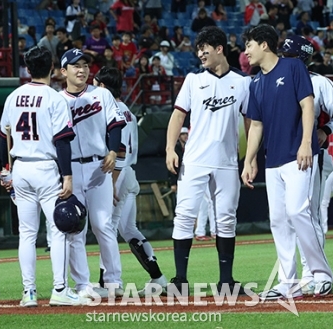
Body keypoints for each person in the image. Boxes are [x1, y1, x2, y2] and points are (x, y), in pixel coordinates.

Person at [241, 25, 333, 300]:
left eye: (249, 45)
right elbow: (256, 125)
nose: (246, 52)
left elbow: (308, 105)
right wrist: (249, 161)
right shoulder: (256, 82)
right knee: (279, 220)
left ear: (264, 45)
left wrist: (307, 143)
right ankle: (288, 281)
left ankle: (321, 274)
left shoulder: (293, 68)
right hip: (273, 160)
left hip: (298, 155)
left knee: (298, 212)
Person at [165, 26, 251, 296]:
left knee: (226, 220)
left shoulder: (243, 82)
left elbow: (250, 123)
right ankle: (179, 280)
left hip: (227, 162)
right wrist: (170, 148)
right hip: (194, 160)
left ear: (219, 49)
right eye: (198, 49)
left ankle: (226, 281)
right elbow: (178, 116)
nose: (200, 53)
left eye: (205, 48)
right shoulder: (192, 80)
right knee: (184, 217)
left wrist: (250, 159)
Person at [0, 46, 80, 307]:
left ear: (28, 68)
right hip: (46, 167)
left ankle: (29, 293)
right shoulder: (54, 98)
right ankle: (59, 289)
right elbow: (63, 142)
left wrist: (6, 169)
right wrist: (67, 176)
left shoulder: (13, 97)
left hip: (20, 167)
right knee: (57, 230)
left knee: (27, 233)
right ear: (52, 66)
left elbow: (4, 137)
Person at [279, 35, 333, 295]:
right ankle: (294, 277)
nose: (284, 60)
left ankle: (313, 273)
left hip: (313, 156)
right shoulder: (276, 80)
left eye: (289, 56)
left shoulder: (319, 82)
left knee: (308, 214)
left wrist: (325, 129)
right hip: (281, 158)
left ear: (302, 59)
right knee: (287, 218)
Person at [93, 67, 168, 297]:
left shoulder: (111, 110)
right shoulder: (129, 112)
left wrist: (112, 184)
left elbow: (121, 152)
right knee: (128, 228)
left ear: (103, 87)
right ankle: (158, 278)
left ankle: (109, 284)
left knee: (108, 228)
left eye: (96, 85)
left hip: (119, 173)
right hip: (129, 172)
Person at [59, 48, 127, 299]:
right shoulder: (58, 100)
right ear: (63, 71)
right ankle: (82, 284)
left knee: (103, 225)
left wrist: (112, 151)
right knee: (75, 229)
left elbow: (115, 125)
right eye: (76, 65)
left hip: (100, 166)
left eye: (86, 65)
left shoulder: (102, 94)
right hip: (71, 169)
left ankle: (113, 281)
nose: (82, 70)